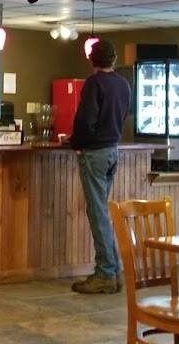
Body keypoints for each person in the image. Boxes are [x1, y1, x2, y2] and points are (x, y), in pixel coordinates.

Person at [69, 39, 131, 295]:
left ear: (91, 60)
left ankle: (105, 273)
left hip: (94, 154)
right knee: (102, 212)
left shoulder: (94, 84)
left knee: (98, 214)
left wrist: (77, 143)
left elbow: (85, 120)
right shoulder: (123, 84)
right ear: (114, 59)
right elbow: (123, 115)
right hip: (113, 151)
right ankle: (114, 271)